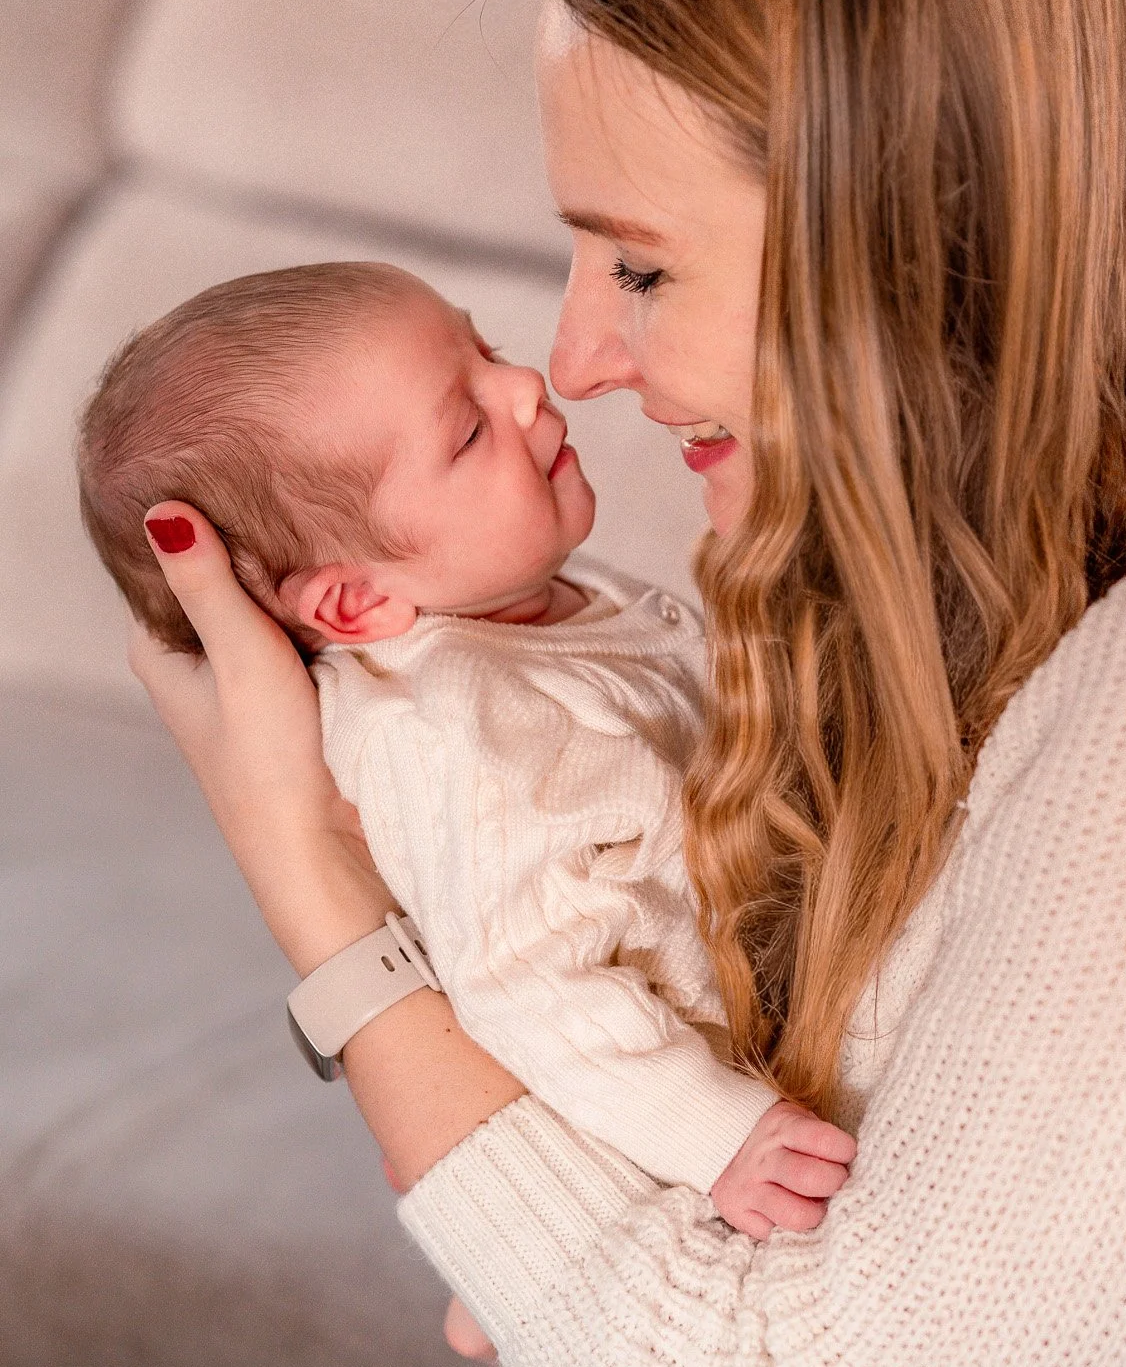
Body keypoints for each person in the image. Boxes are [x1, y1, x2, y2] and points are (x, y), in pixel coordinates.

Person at [129, 0, 1126, 1367]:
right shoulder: (930, 586)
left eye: (638, 266)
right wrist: (579, 1276)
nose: (574, 359)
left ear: (913, 240)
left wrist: (312, 882)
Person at [76, 260, 852, 1233]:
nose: (525, 384)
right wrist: (716, 1134)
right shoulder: (457, 731)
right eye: (468, 429)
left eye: (485, 348)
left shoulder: (527, 593)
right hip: (666, 1126)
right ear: (355, 601)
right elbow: (524, 982)